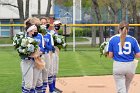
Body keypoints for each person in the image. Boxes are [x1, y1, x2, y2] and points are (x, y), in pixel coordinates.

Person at [107, 21, 140, 93]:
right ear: (128, 30)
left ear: (119, 29)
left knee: (121, 90)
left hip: (118, 66)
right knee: (125, 88)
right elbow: (138, 55)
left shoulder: (113, 39)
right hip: (130, 66)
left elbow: (110, 56)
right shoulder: (133, 39)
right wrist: (130, 55)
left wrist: (105, 53)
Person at [25, 17, 45, 93]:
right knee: (28, 83)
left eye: (37, 25)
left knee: (36, 82)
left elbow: (42, 48)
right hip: (28, 61)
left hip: (38, 60)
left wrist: (39, 52)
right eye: (35, 25)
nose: (36, 26)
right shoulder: (25, 35)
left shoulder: (39, 35)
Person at [21, 24, 41, 93]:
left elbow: (39, 51)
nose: (35, 32)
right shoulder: (24, 39)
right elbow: (21, 52)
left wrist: (38, 53)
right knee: (28, 85)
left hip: (35, 62)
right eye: (34, 30)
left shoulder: (34, 39)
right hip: (27, 62)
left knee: (33, 85)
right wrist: (30, 54)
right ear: (29, 31)